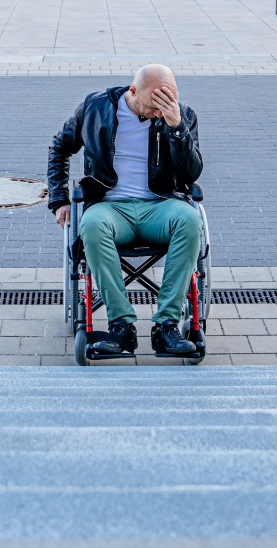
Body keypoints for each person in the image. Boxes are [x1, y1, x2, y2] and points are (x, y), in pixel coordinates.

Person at [47, 64, 204, 355]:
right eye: (153, 104)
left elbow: (191, 175)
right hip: (110, 208)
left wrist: (176, 129)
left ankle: (167, 326)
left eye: (167, 101)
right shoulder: (95, 109)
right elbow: (59, 146)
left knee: (191, 220)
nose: (160, 111)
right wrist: (58, 199)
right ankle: (122, 326)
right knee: (91, 225)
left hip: (161, 206)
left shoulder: (181, 115)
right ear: (133, 92)